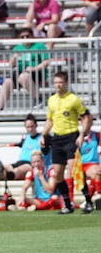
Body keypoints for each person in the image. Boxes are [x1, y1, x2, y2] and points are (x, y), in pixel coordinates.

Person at [41, 70, 93, 214]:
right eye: (56, 82)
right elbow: (50, 119)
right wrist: (43, 134)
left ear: (66, 83)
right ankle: (67, 204)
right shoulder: (51, 100)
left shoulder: (73, 99)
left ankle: (88, 201)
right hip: (57, 138)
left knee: (74, 171)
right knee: (57, 174)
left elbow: (86, 117)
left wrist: (82, 134)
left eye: (61, 82)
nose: (58, 85)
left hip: (71, 137)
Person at [0, 27, 49, 112]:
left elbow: (46, 61)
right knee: (7, 82)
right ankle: (0, 107)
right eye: (22, 37)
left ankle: (38, 99)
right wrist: (14, 57)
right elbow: (11, 65)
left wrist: (34, 68)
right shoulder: (17, 48)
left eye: (27, 36)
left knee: (23, 77)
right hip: (20, 71)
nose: (25, 38)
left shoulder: (39, 46)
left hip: (37, 72)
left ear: (32, 36)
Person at [3, 113, 45, 181]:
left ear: (36, 126)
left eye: (32, 126)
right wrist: (4, 145)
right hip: (20, 162)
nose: (30, 129)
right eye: (28, 127)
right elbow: (18, 144)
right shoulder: (25, 137)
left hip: (30, 163)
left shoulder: (41, 138)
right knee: (4, 166)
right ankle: (5, 175)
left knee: (17, 170)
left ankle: (9, 175)